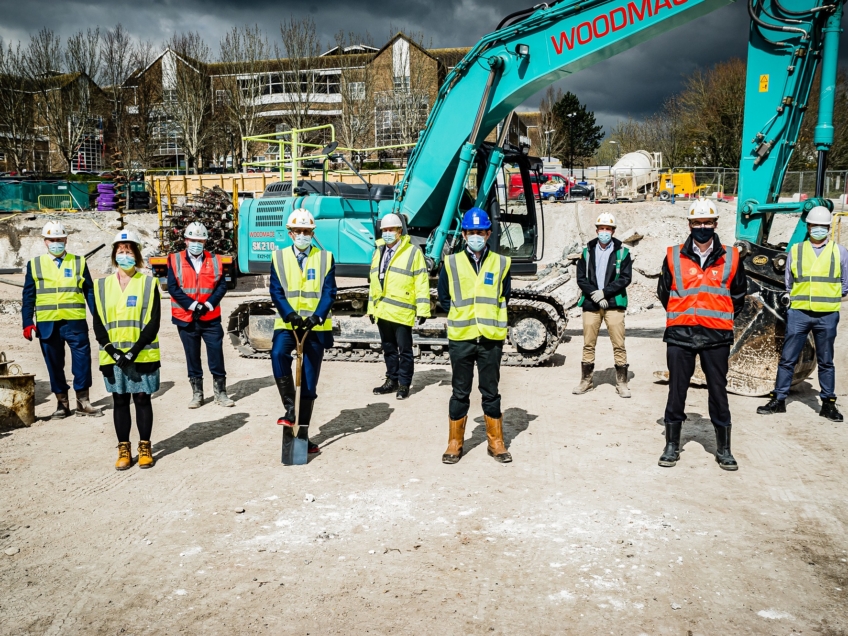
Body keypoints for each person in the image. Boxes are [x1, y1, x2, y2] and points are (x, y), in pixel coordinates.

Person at [656, 199, 747, 471]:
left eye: (707, 222)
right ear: (690, 224)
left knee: (718, 391)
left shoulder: (731, 257)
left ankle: (724, 449)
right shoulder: (673, 255)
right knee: (676, 391)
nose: (703, 227)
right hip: (680, 335)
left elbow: (739, 296)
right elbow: (664, 292)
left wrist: (716, 315)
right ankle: (672, 445)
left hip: (716, 336)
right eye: (698, 223)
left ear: (716, 224)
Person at [757, 205, 847, 422]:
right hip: (799, 313)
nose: (818, 229)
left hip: (826, 314)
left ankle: (828, 403)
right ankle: (779, 399)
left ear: (828, 228)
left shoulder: (839, 251)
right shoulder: (796, 250)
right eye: (814, 226)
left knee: (826, 360)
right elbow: (788, 282)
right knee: (787, 358)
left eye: (822, 226)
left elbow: (845, 284)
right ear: (808, 227)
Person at [438, 207, 512, 465]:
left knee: (490, 391)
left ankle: (496, 441)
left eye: (480, 231)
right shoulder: (451, 262)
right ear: (464, 234)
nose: (476, 236)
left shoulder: (501, 263)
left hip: (490, 338)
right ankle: (455, 442)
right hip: (462, 337)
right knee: (460, 391)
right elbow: (444, 297)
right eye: (471, 232)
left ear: (489, 233)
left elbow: (505, 296)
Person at [91, 230, 161, 470]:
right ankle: (123, 448)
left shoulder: (148, 283)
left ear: (137, 256)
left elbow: (153, 321)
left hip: (142, 353)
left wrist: (134, 351)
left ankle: (144, 447)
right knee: (119, 400)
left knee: (142, 398)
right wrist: (112, 350)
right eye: (121, 252)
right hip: (113, 356)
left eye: (129, 252)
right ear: (114, 256)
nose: (125, 256)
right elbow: (98, 322)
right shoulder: (102, 285)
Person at [270, 209, 337, 455]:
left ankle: (304, 435)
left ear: (312, 233)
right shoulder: (278, 257)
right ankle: (290, 409)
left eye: (306, 231)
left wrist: (317, 317)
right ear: (290, 233)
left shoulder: (325, 257)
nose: (302, 235)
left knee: (308, 383)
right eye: (297, 231)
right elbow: (276, 291)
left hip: (315, 327)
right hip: (287, 324)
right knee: (278, 355)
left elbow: (330, 292)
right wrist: (290, 314)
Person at [21, 221, 102, 419]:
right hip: (48, 325)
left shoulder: (78, 262)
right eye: (52, 239)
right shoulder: (35, 264)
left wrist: (98, 317)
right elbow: (28, 295)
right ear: (45, 241)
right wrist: (27, 321)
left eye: (59, 239)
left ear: (66, 240)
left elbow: (89, 292)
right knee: (54, 365)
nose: (56, 243)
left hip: (75, 323)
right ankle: (62, 404)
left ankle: (83, 402)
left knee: (82, 363)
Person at [167, 221, 234, 409]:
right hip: (186, 318)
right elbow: (173, 288)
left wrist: (209, 304)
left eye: (200, 240)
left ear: (205, 242)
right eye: (193, 240)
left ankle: (221, 393)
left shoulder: (215, 260)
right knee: (192, 356)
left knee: (216, 354)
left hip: (210, 318)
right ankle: (197, 393)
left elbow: (221, 286)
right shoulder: (175, 259)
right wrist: (193, 305)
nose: (196, 243)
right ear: (186, 240)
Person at [368, 213, 431, 400]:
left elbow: (421, 281)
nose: (387, 233)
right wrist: (371, 308)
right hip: (383, 310)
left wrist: (423, 308)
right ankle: (391, 380)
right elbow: (373, 282)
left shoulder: (412, 252)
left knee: (404, 350)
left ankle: (404, 384)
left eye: (391, 230)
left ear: (399, 231)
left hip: (402, 311)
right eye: (385, 230)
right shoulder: (378, 251)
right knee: (388, 348)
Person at [573, 212, 633, 397]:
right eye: (602, 228)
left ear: (613, 231)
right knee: (588, 344)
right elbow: (581, 278)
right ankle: (586, 381)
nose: (604, 232)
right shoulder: (587, 252)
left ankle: (621, 383)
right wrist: (595, 295)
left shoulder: (623, 253)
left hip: (614, 303)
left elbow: (625, 278)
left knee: (618, 343)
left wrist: (605, 293)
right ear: (597, 230)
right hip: (592, 303)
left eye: (608, 229)